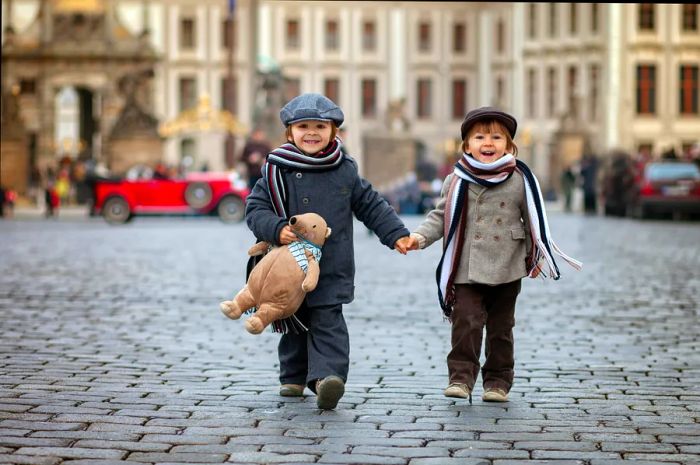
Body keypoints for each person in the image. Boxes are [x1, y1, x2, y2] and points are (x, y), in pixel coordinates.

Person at [243, 93, 411, 410]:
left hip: (331, 266)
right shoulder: (276, 169)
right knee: (292, 319)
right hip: (288, 266)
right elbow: (255, 209)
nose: (311, 132)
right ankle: (292, 377)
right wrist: (275, 227)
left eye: (320, 126)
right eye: (303, 126)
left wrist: (396, 234)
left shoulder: (344, 169)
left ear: (334, 131)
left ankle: (327, 379)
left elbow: (371, 205)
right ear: (289, 133)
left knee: (328, 322)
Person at [404, 107, 581, 403]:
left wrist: (535, 254)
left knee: (501, 328)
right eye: (480, 137)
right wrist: (419, 237)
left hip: (507, 264)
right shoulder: (456, 180)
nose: (488, 143)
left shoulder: (520, 179)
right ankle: (461, 377)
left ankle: (498, 381)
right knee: (466, 322)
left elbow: (532, 221)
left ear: (510, 146)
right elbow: (440, 215)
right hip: (466, 264)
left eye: (497, 137)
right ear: (467, 146)